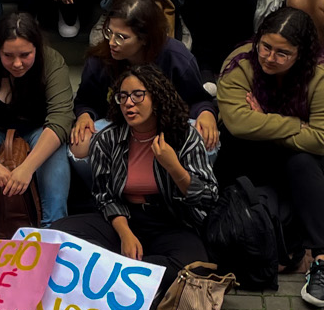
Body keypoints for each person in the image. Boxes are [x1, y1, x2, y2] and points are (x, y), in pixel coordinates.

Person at [216, 6, 324, 308]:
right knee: (233, 145)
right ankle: (227, 232)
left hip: (310, 152)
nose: (269, 58)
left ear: (301, 53)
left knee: (299, 163)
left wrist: (264, 119)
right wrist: (293, 123)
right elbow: (237, 122)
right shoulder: (241, 62)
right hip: (265, 142)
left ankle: (323, 259)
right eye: (266, 47)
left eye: (282, 53)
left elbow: (321, 139)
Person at [60, 65, 216, 289]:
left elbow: (209, 196)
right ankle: (136, 277)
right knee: (60, 232)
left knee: (194, 267)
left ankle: (115, 273)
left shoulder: (184, 136)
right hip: (123, 218)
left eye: (137, 95)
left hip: (171, 221)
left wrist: (175, 168)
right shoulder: (108, 138)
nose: (128, 103)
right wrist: (125, 234)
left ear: (157, 97)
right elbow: (105, 196)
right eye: (122, 97)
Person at [0, 9, 73, 236]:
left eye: (25, 55)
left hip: (38, 128)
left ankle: (54, 226)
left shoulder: (52, 62)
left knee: (55, 147)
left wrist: (27, 168)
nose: (17, 63)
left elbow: (60, 119)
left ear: (36, 49)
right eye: (8, 56)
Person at [71, 0, 218, 154]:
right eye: (109, 32)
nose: (112, 42)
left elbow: (197, 99)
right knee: (79, 144)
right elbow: (85, 100)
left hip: (166, 127)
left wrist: (206, 113)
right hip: (118, 127)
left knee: (206, 141)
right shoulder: (100, 59)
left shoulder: (177, 57)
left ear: (144, 38)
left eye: (121, 37)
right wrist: (85, 115)